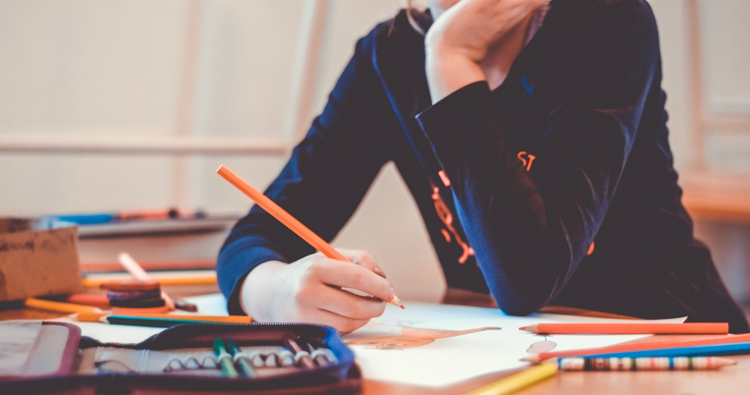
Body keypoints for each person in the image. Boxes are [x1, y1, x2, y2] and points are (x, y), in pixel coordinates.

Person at [217, 0, 750, 334]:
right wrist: (273, 292)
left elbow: (525, 281)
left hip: (675, 350)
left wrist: (449, 60)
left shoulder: (607, 21)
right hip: (514, 361)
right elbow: (258, 232)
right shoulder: (390, 53)